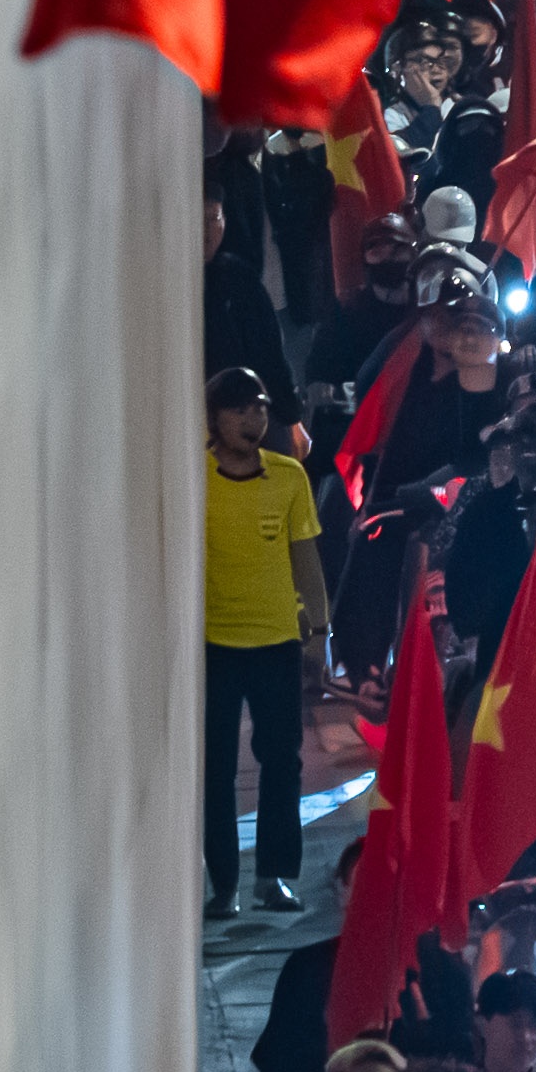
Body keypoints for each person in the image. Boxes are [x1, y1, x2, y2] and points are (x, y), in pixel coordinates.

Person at [205, 364, 330, 915]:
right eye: (239, 409)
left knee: (282, 760)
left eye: (258, 408)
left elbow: (306, 560)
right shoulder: (195, 476)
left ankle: (275, 876)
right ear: (214, 417)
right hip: (212, 642)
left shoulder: (288, 477)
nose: (252, 419)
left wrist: (318, 634)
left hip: (277, 637)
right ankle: (224, 884)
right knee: (215, 767)